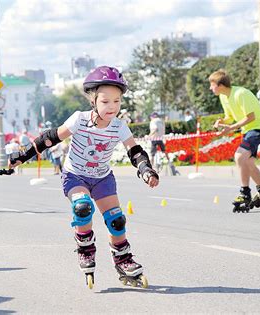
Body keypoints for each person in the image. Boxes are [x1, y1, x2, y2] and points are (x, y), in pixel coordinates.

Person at [9, 66, 159, 289]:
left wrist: (146, 170)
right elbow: (49, 139)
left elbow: (134, 151)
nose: (112, 107)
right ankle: (86, 250)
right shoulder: (79, 119)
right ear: (93, 101)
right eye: (106, 101)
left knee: (117, 220)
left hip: (102, 178)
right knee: (82, 207)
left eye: (117, 101)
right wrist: (23, 156)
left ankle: (123, 261)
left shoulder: (119, 126)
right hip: (75, 175)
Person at [209, 69, 260, 213]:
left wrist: (231, 128)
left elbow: (250, 117)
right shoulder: (224, 97)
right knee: (248, 162)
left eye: (212, 84)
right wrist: (221, 121)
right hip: (248, 130)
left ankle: (245, 193)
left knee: (239, 157)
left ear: (220, 85)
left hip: (258, 128)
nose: (210, 88)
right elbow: (230, 116)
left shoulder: (241, 94)